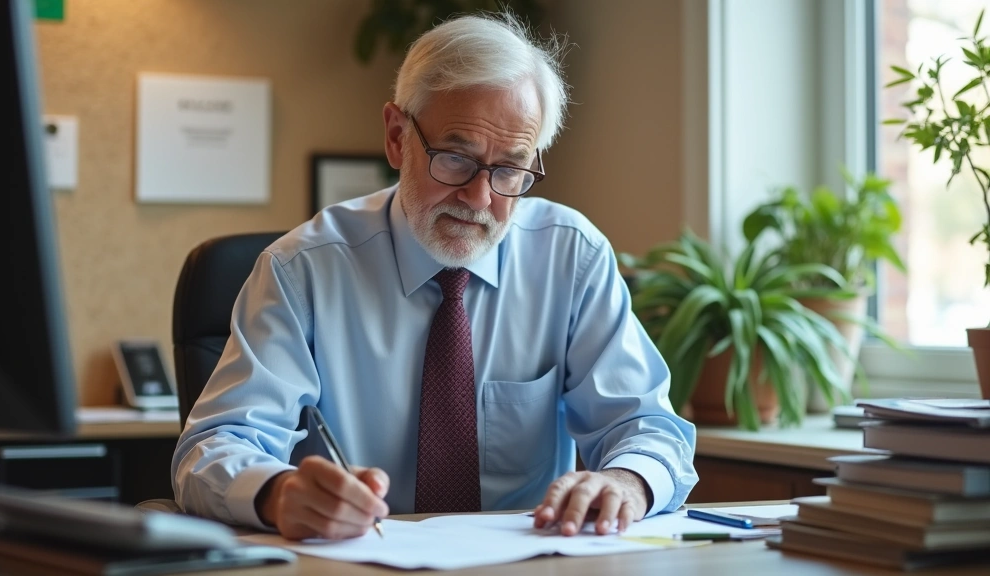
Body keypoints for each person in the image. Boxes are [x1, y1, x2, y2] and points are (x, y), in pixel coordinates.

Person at [172, 11, 698, 541]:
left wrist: (628, 481)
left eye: (511, 169)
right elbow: (213, 447)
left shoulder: (572, 259)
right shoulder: (303, 270)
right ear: (398, 137)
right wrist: (277, 493)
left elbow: (648, 426)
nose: (480, 197)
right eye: (455, 158)